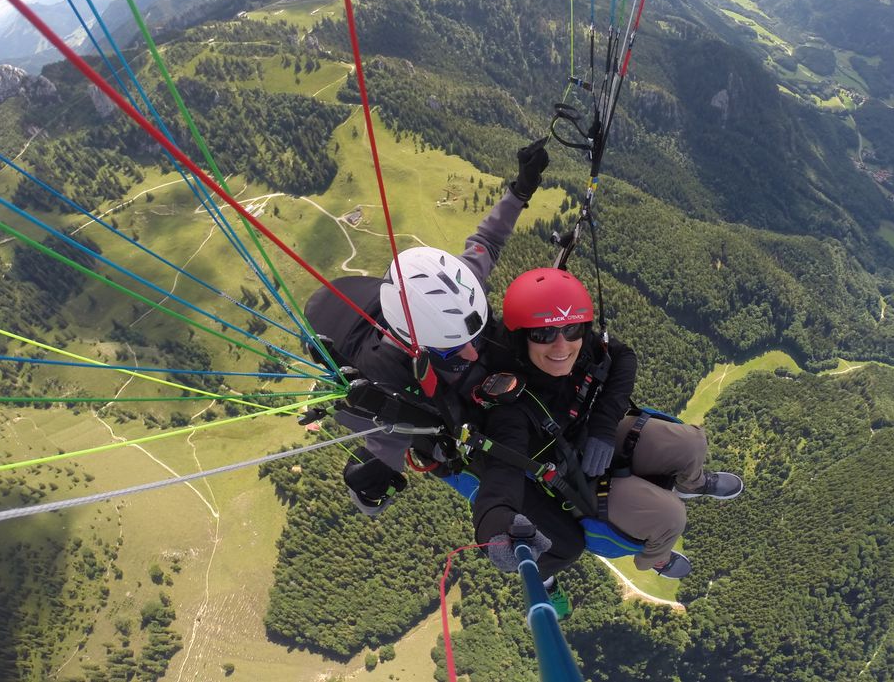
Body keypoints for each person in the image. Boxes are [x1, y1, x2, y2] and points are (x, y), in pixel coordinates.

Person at [471, 267, 743, 613]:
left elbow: (623, 358)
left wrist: (601, 427)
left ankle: (691, 482)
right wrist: (494, 527)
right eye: (543, 334)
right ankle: (655, 560)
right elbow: (501, 474)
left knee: (691, 444)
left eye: (571, 329)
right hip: (571, 475)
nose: (561, 345)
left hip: (594, 434)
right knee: (671, 518)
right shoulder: (510, 402)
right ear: (520, 337)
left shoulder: (583, 349)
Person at [302, 139, 550, 515]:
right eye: (452, 349)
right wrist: (368, 485)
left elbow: (487, 242)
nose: (470, 351)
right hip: (463, 420)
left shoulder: (456, 292)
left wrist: (521, 190)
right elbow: (382, 455)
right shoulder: (385, 387)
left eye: (473, 333)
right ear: (411, 343)